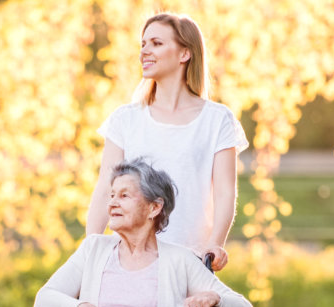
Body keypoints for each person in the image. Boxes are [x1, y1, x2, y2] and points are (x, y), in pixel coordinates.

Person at [86, 12, 247, 272]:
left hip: (191, 263)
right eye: (143, 44)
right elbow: (105, 189)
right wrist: (90, 249)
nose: (144, 51)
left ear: (185, 53)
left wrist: (216, 245)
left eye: (156, 43)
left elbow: (225, 193)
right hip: (129, 264)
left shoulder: (217, 120)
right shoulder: (125, 119)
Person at [39, 159, 256, 307]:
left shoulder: (181, 259)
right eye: (112, 195)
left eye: (124, 196)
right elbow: (44, 299)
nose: (113, 202)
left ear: (154, 208)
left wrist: (213, 297)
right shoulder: (93, 249)